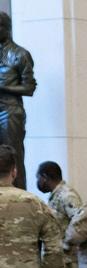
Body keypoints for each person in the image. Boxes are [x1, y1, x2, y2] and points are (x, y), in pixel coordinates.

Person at [35, 160, 82, 268]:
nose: (38, 183)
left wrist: (65, 245)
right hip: (58, 267)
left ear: (45, 177)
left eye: (38, 178)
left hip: (67, 267)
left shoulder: (67, 195)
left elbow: (81, 224)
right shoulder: (55, 196)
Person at [0, 13, 34, 191]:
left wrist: (4, 88)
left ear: (7, 29)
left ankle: (20, 198)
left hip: (10, 111)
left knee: (14, 157)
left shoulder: (20, 54)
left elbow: (29, 88)